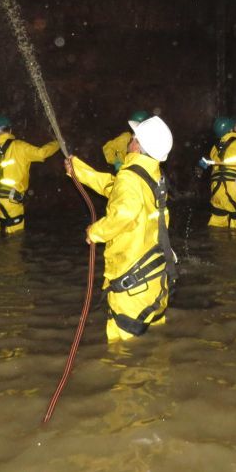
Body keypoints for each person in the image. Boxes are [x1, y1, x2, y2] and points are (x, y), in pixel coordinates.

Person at [65, 116, 176, 342]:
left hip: (132, 288)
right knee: (156, 347)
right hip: (156, 281)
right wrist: (79, 170)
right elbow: (115, 189)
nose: (129, 141)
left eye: (133, 138)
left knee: (124, 356)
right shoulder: (154, 176)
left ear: (138, 146)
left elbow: (124, 212)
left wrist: (95, 232)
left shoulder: (130, 177)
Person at [0, 115, 59, 234]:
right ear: (10, 130)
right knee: (15, 236)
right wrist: (57, 143)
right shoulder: (19, 146)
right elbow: (41, 153)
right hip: (10, 199)